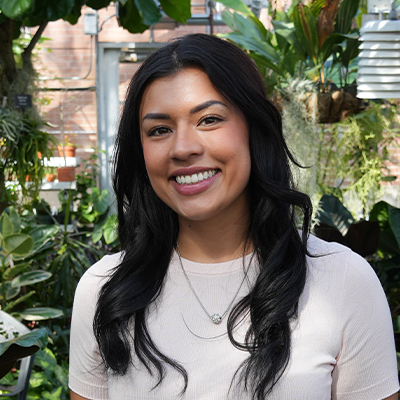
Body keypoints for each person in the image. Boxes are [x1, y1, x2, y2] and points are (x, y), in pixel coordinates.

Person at [69, 34, 399, 400]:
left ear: (254, 130)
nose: (183, 148)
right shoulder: (103, 292)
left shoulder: (342, 281)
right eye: (159, 130)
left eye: (209, 119)